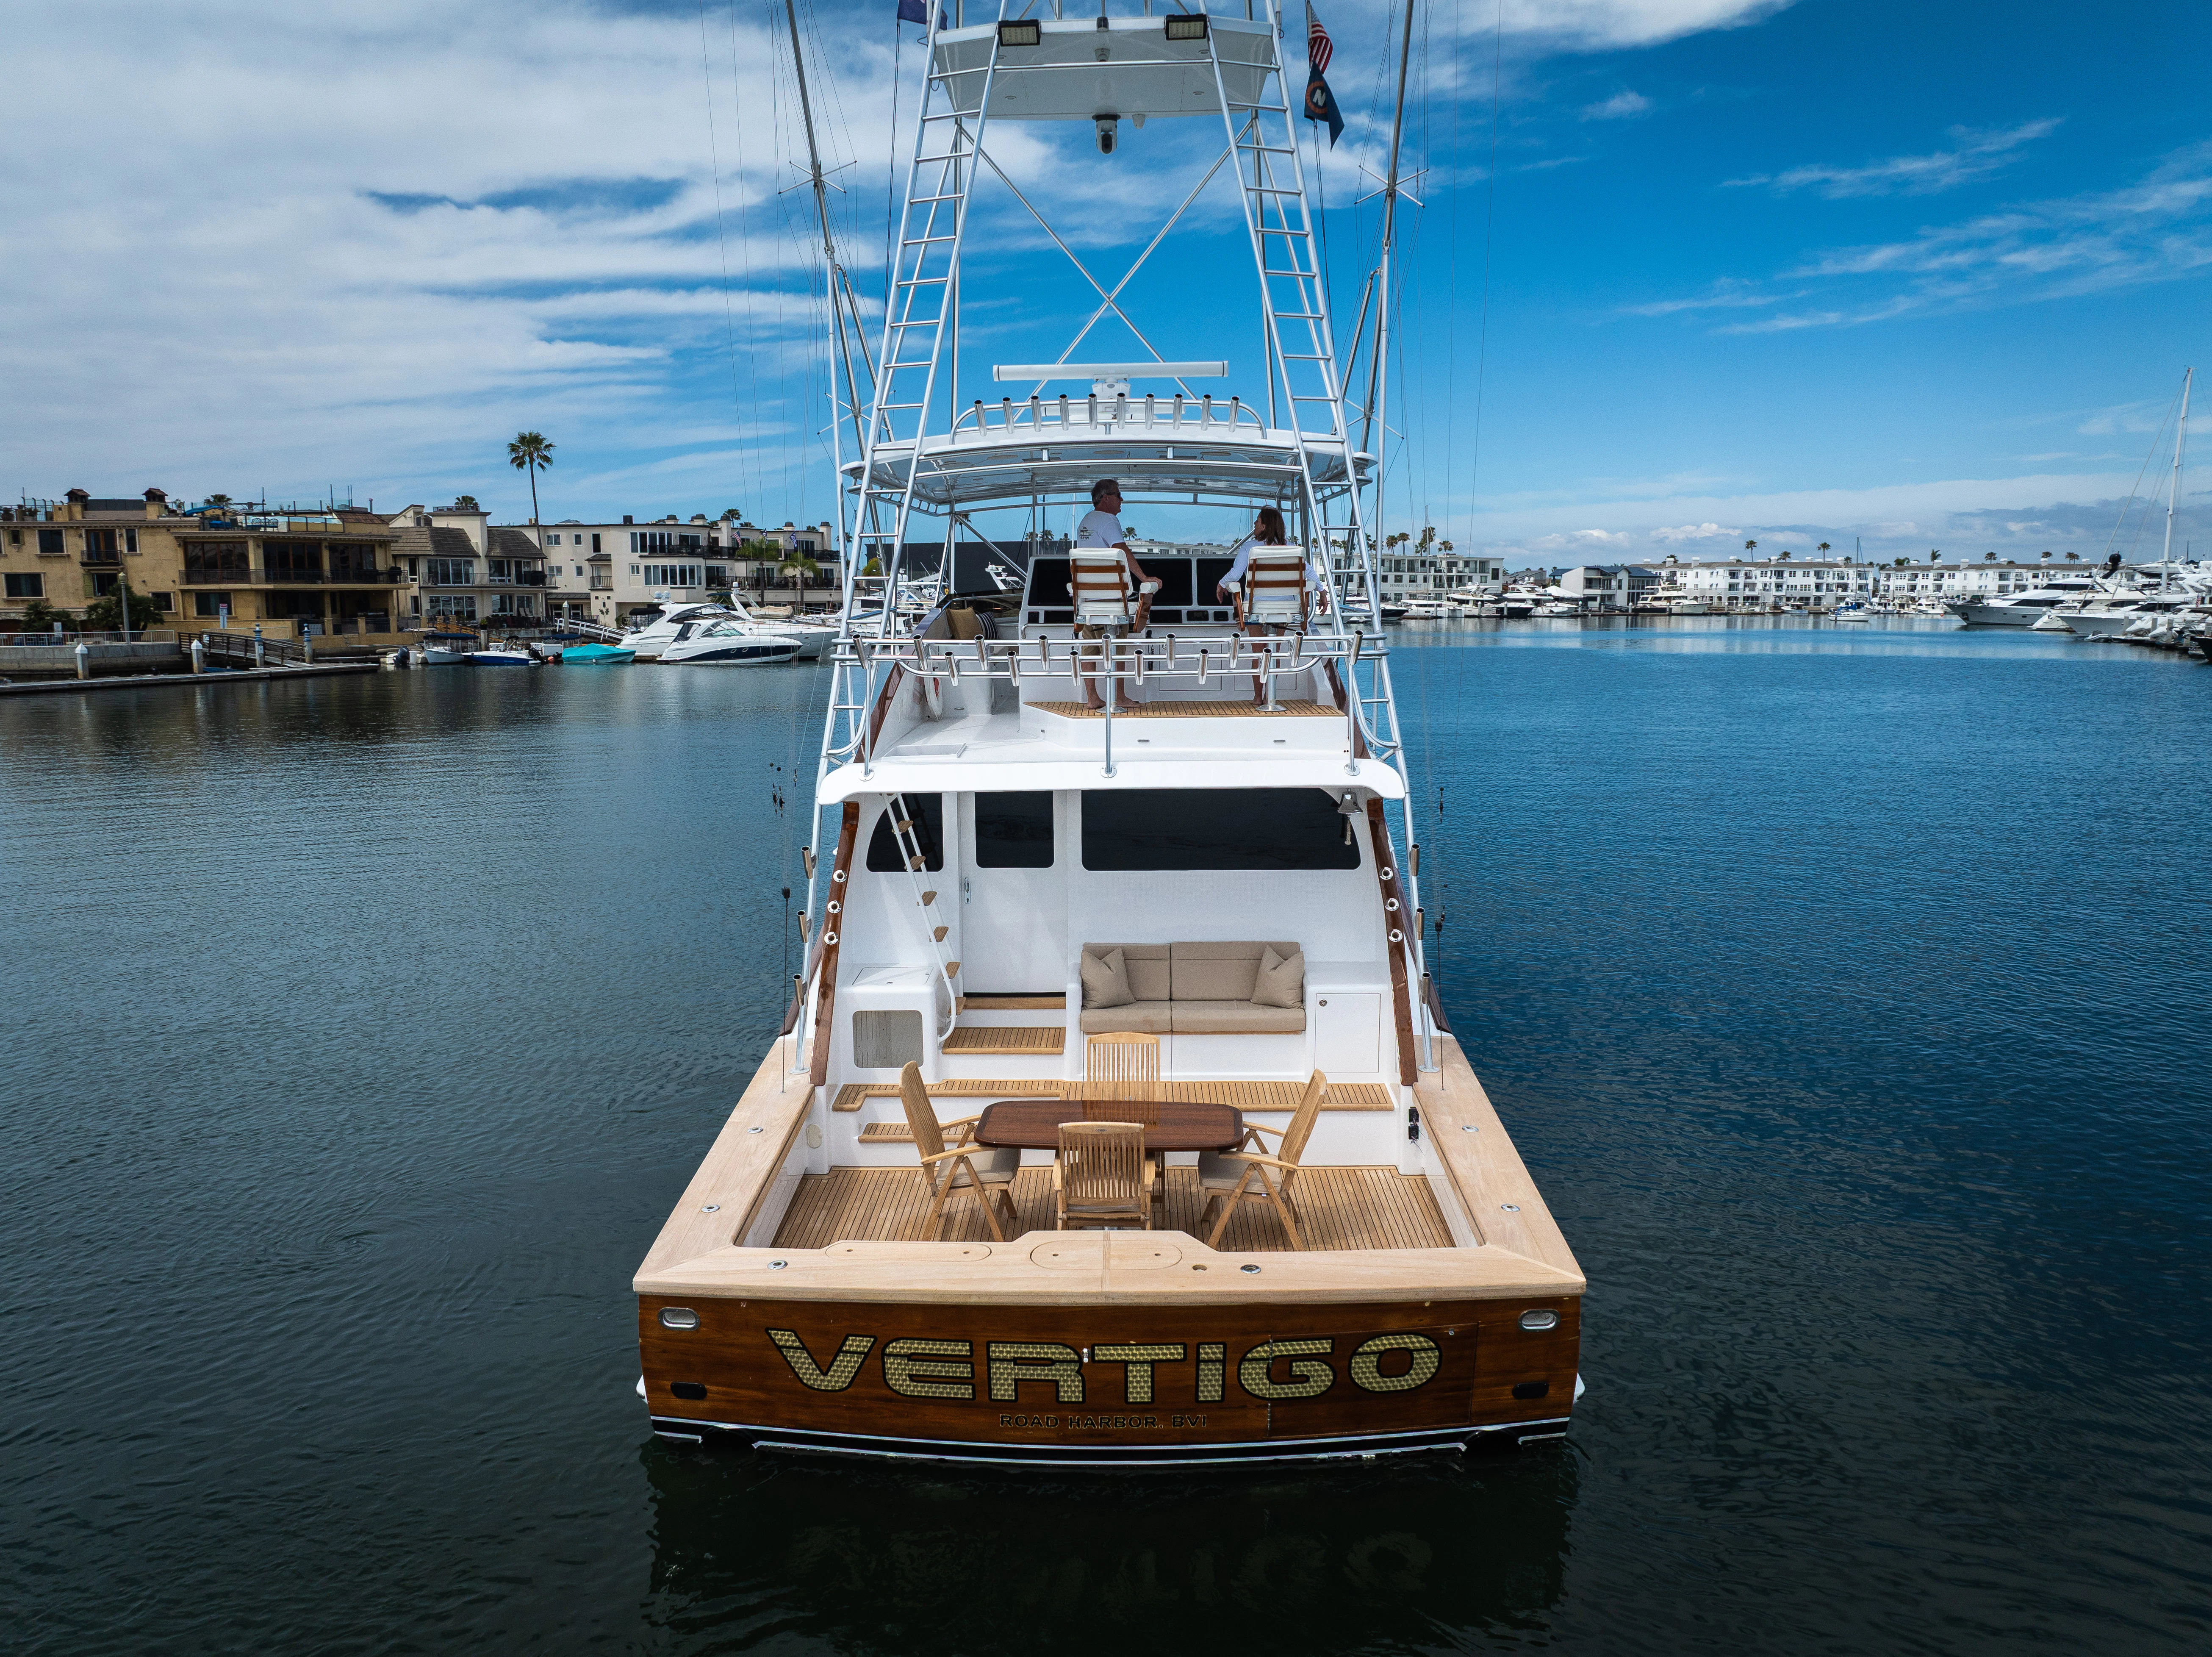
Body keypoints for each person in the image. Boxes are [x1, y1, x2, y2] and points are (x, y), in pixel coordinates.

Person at [1218, 507, 1329, 703]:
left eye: (1258, 521)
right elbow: (1310, 573)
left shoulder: (1250, 548)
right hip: (1285, 611)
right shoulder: (1293, 550)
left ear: (1265, 525)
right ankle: (1272, 696)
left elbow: (1235, 575)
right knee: (1275, 651)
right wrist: (1322, 592)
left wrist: (1221, 584)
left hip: (1257, 610)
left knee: (1258, 652)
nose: (1254, 524)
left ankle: (1258, 697)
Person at [1073, 478, 1156, 712]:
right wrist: (1144, 579)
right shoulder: (1110, 520)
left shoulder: (1085, 522)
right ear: (1106, 498)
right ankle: (1120, 697)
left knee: (1089, 647)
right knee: (1118, 644)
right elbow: (1122, 550)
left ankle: (1092, 699)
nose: (1122, 500)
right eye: (1119, 495)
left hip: (1088, 600)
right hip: (1111, 600)